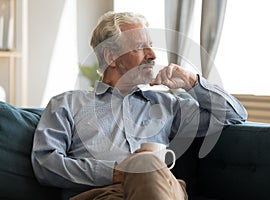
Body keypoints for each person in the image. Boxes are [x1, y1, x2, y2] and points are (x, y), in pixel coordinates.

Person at [31, 11, 247, 200]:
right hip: (102, 195)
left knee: (148, 164)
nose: (153, 55)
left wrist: (191, 82)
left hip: (164, 189)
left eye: (151, 46)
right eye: (140, 47)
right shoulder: (67, 104)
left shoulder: (166, 104)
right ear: (111, 56)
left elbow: (234, 114)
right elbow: (45, 164)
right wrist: (116, 173)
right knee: (145, 162)